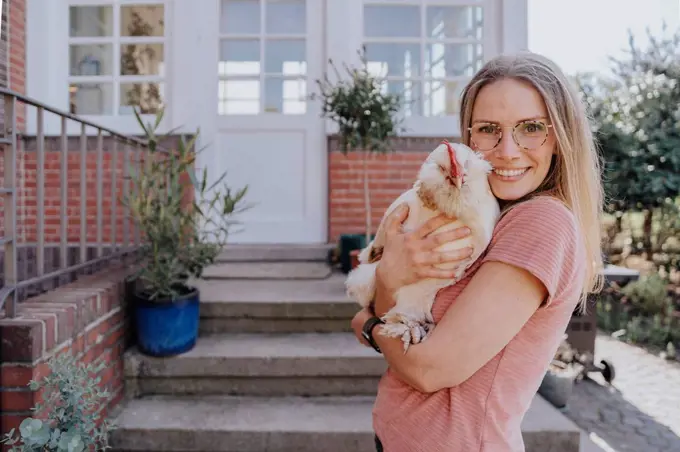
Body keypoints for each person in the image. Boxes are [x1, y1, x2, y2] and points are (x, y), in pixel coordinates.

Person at [351, 51, 605, 452]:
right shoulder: (486, 214)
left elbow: (430, 369)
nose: (507, 150)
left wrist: (367, 325)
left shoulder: (542, 223)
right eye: (489, 129)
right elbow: (397, 319)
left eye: (531, 128)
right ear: (468, 137)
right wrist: (388, 280)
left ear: (559, 138)